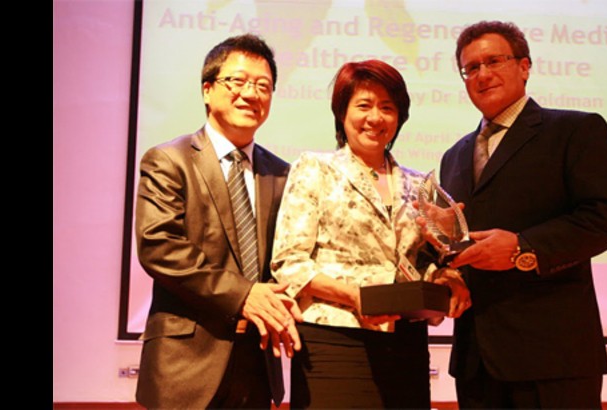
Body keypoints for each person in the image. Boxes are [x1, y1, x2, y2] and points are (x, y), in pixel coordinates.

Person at [437, 20, 607, 409]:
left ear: (524, 66)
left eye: (494, 61)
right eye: (471, 68)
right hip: (477, 361)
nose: (483, 74)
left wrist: (522, 248)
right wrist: (442, 253)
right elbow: (464, 244)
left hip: (553, 356)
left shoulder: (574, 130)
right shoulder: (454, 155)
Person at [270, 59, 471, 409]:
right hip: (334, 339)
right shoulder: (315, 169)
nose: (375, 117)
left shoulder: (419, 184)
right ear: (342, 112)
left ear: (399, 117)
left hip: (405, 343)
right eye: (363, 105)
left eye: (387, 108)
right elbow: (290, 263)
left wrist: (448, 276)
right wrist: (355, 296)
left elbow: (424, 262)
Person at [134, 33, 303, 409]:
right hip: (185, 365)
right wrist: (243, 295)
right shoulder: (168, 160)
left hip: (257, 360)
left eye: (263, 85)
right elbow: (159, 246)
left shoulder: (282, 173)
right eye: (237, 82)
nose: (251, 93)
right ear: (207, 90)